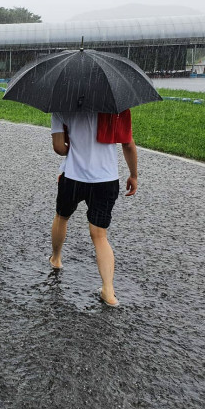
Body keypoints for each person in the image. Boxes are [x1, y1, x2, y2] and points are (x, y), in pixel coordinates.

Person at [49, 110, 138, 307]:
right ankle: (108, 290)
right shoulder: (116, 109)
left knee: (62, 217)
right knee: (99, 235)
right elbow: (128, 144)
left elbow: (58, 148)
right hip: (105, 180)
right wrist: (133, 175)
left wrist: (71, 147)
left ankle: (56, 258)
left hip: (73, 177)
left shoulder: (61, 107)